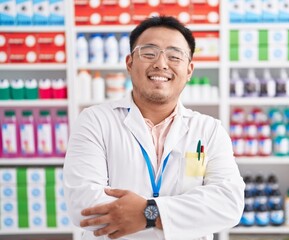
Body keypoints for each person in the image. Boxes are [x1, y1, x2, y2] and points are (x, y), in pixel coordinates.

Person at [63, 16, 245, 240]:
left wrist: (149, 213)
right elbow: (84, 205)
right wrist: (180, 215)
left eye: (174, 56)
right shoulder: (95, 121)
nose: (161, 63)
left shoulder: (210, 130)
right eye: (149, 53)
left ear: (189, 70)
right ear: (129, 63)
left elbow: (229, 204)